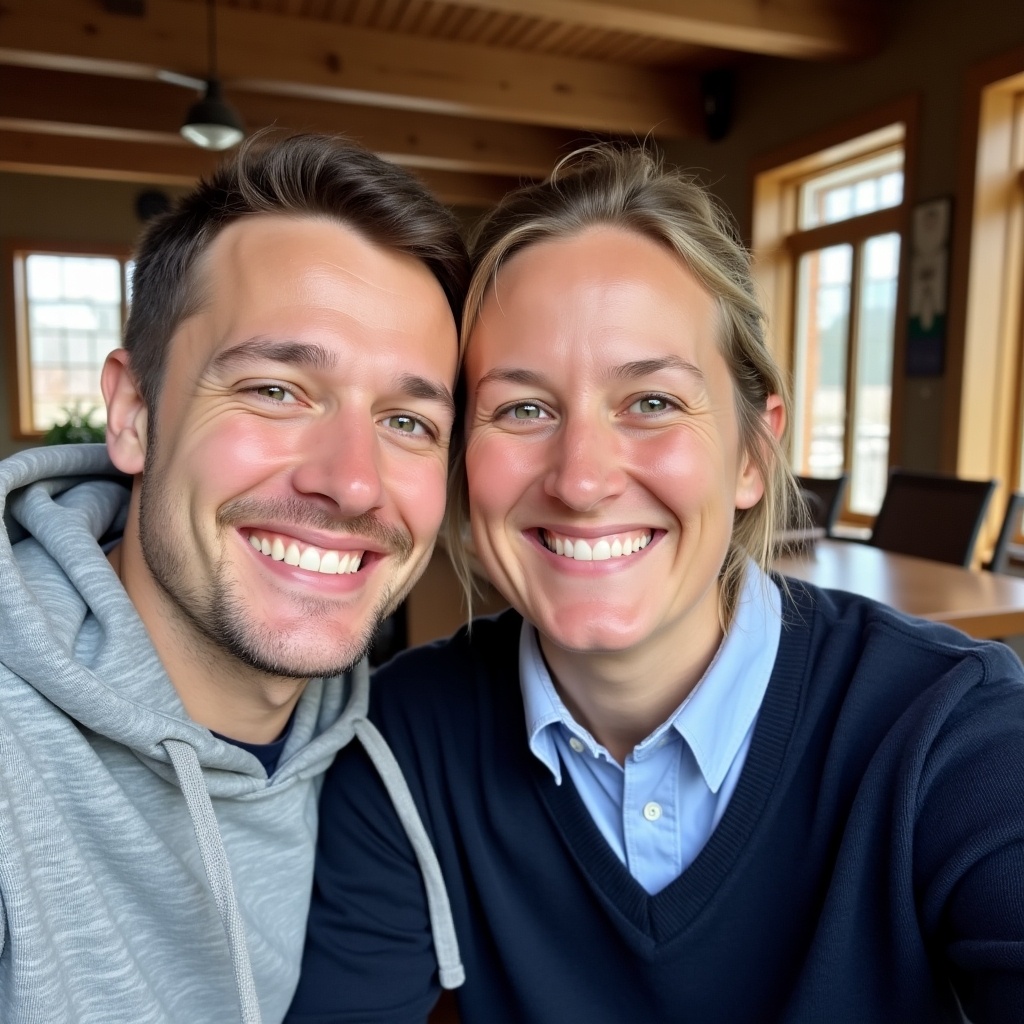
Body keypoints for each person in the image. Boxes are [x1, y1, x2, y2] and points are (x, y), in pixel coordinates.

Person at [288, 145, 1024, 1024]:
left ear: (752, 451)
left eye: (652, 403)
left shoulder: (953, 731)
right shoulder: (397, 744)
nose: (582, 477)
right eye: (523, 409)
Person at [0, 132, 471, 1024]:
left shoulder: (390, 753)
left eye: (409, 420)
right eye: (275, 390)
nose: (352, 480)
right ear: (135, 413)